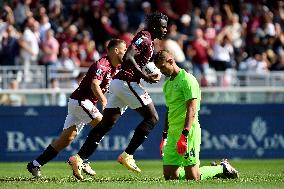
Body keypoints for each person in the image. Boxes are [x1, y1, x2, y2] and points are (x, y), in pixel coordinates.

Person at [68, 12, 168, 179]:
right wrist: (144, 77)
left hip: (120, 82)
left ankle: (79, 158)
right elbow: (128, 57)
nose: (165, 30)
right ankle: (128, 155)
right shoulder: (144, 37)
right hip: (126, 82)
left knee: (106, 124)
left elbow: (134, 60)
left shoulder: (149, 41)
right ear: (155, 25)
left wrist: (146, 73)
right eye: (163, 26)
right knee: (152, 118)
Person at [26, 39, 127, 178]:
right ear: (116, 50)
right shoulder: (102, 64)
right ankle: (83, 160)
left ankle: (35, 164)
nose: (126, 52)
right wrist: (104, 101)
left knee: (66, 139)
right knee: (103, 125)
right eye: (124, 49)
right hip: (81, 101)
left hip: (80, 102)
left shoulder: (116, 67)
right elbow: (94, 85)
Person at [154, 50, 239, 180]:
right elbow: (169, 110)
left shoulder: (187, 80)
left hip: (188, 132)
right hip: (172, 133)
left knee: (193, 178)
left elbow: (192, 109)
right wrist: (164, 136)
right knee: (170, 176)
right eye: (159, 68)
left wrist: (185, 134)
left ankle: (221, 168)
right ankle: (196, 168)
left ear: (171, 61)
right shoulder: (167, 84)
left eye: (163, 67)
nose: (161, 71)